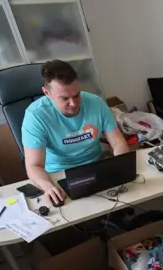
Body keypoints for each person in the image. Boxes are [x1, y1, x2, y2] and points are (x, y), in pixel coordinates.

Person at [22, 60, 130, 205]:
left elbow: (118, 142)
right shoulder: (35, 116)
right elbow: (34, 166)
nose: (73, 103)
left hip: (96, 166)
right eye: (64, 98)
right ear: (47, 93)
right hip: (59, 175)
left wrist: (120, 166)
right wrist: (48, 187)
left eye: (77, 95)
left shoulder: (96, 103)